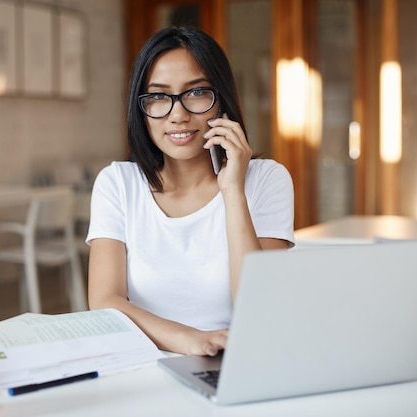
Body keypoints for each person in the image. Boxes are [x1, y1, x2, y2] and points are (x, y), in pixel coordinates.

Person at [86, 26, 294, 357]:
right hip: (144, 364)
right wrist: (190, 339)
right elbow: (104, 301)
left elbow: (259, 309)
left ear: (221, 99)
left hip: (237, 360)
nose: (178, 115)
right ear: (141, 109)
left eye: (196, 93)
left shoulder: (267, 179)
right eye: (158, 97)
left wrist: (233, 192)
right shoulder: (117, 183)